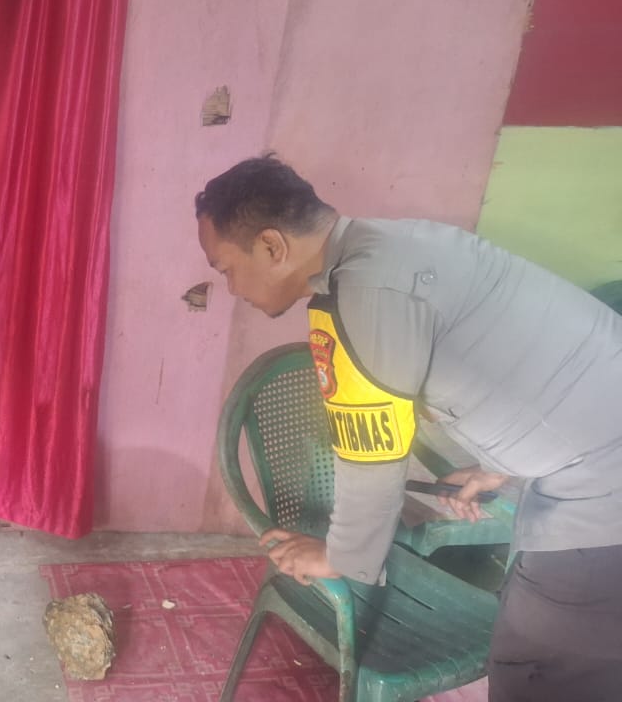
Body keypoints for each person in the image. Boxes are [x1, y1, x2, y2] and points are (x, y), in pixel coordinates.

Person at [195, 155, 622, 701]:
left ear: (272, 246)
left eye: (226, 269)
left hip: (602, 492)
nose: (232, 289)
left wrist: (339, 556)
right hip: (596, 447)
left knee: (539, 669)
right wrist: (497, 468)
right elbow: (542, 364)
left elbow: (371, 461)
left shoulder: (363, 297)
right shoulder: (402, 243)